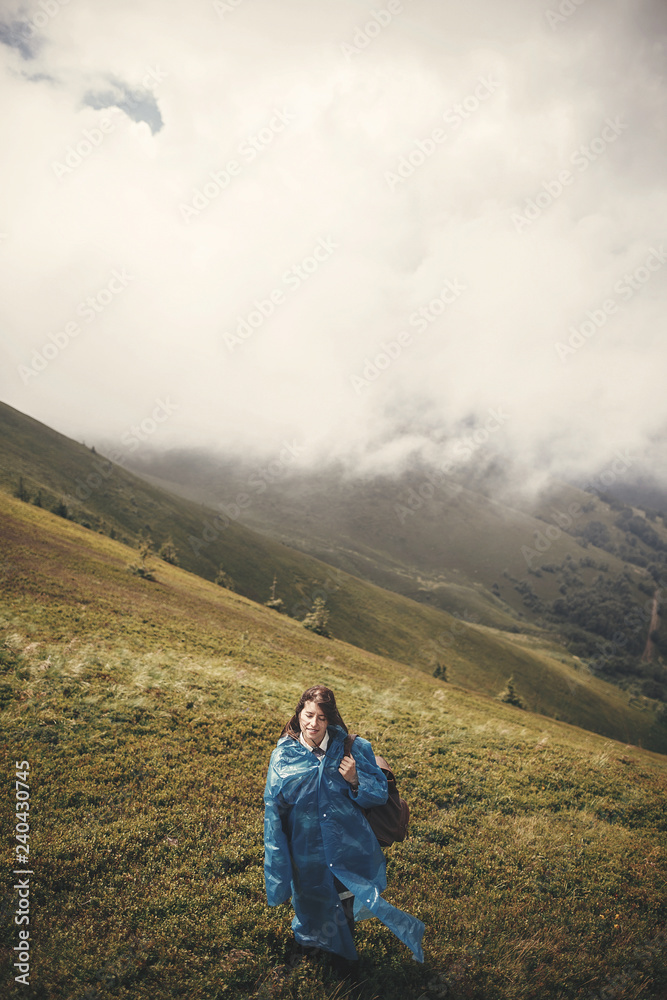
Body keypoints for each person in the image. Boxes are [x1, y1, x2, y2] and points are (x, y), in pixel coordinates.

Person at [263, 684, 425, 964]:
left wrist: (355, 781)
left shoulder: (352, 749)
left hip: (347, 847)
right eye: (309, 714)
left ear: (331, 719)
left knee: (344, 907)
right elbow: (274, 815)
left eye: (322, 718)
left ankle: (342, 963)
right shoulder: (283, 756)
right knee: (308, 903)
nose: (313, 724)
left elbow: (378, 795)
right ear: (299, 712)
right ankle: (307, 954)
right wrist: (278, 866)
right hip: (305, 851)